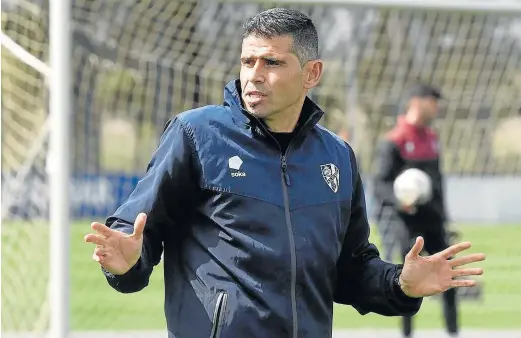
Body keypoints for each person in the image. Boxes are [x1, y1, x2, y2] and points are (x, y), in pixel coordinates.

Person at [85, 9, 485, 338]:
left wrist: (400, 284)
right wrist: (125, 262)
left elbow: (351, 268)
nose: (254, 75)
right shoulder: (196, 135)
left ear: (312, 74)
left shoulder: (338, 156)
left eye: (272, 62)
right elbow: (136, 230)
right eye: (247, 61)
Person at [373, 83, 461, 338]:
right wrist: (402, 201)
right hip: (407, 225)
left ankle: (454, 332)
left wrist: (445, 218)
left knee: (449, 278)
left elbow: (439, 184)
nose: (436, 108)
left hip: (434, 223)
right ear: (417, 102)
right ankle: (407, 334)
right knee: (408, 282)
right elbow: (380, 185)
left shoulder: (432, 140)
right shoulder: (395, 140)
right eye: (432, 102)